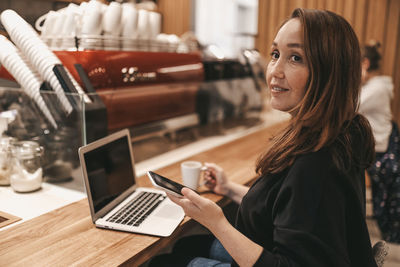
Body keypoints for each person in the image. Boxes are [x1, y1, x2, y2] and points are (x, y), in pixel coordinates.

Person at [150, 8, 378, 266]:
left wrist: (216, 222)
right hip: (271, 243)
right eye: (275, 54)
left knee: (163, 262)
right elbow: (293, 212)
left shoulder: (317, 163)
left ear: (329, 72)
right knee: (185, 245)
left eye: (295, 58)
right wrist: (229, 189)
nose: (275, 71)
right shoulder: (336, 130)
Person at [359, 41, 400, 243]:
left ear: (365, 64)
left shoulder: (377, 89)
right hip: (379, 145)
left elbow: (351, 106)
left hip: (382, 148)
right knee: (379, 192)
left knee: (385, 195)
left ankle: (391, 236)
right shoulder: (374, 86)